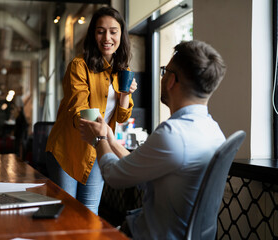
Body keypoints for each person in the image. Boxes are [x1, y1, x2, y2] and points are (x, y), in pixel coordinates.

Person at [79, 40, 227, 239]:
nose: (163, 77)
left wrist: (98, 140)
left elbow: (114, 176)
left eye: (165, 71)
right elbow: (136, 170)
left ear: (172, 80)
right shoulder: (214, 131)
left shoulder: (173, 134)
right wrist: (112, 142)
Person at [45, 6, 137, 215]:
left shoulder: (124, 71)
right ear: (93, 35)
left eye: (113, 31)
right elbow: (79, 110)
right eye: (100, 31)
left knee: (89, 213)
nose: (107, 37)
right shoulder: (79, 66)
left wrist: (125, 93)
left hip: (96, 149)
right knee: (66, 213)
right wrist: (102, 132)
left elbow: (122, 116)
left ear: (121, 35)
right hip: (67, 149)